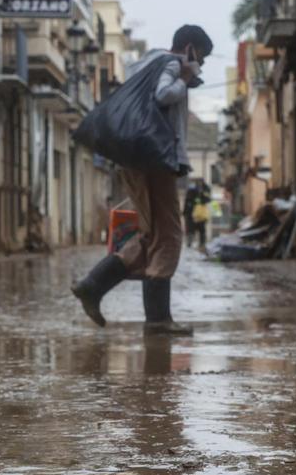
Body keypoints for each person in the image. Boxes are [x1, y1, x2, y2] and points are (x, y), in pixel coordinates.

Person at [71, 25, 213, 336]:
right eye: (200, 57)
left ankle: (93, 285)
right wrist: (186, 76)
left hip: (134, 158)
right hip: (155, 158)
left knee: (151, 235)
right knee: (170, 235)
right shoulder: (172, 64)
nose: (199, 65)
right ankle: (158, 319)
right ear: (189, 48)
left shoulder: (144, 64)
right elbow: (163, 95)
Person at [183, 182, 211, 251]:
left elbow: (207, 199)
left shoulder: (198, 195)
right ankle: (198, 243)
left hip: (197, 216)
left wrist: (185, 213)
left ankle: (197, 243)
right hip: (196, 216)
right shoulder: (199, 194)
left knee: (195, 230)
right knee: (197, 231)